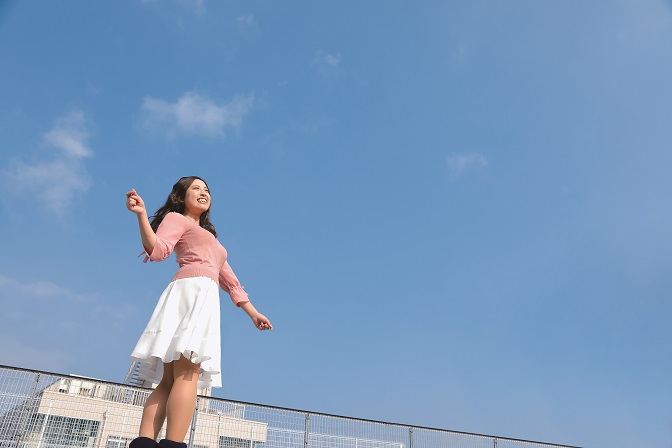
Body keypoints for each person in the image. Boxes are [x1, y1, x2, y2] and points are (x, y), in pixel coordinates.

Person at [125, 176, 272, 448]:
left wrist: (253, 312)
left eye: (207, 190)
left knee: (170, 378)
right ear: (182, 196)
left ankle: (145, 443)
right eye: (196, 188)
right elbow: (158, 251)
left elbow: (230, 280)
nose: (204, 192)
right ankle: (173, 443)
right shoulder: (176, 218)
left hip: (201, 293)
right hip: (190, 292)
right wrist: (142, 215)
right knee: (188, 372)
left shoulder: (212, 239)